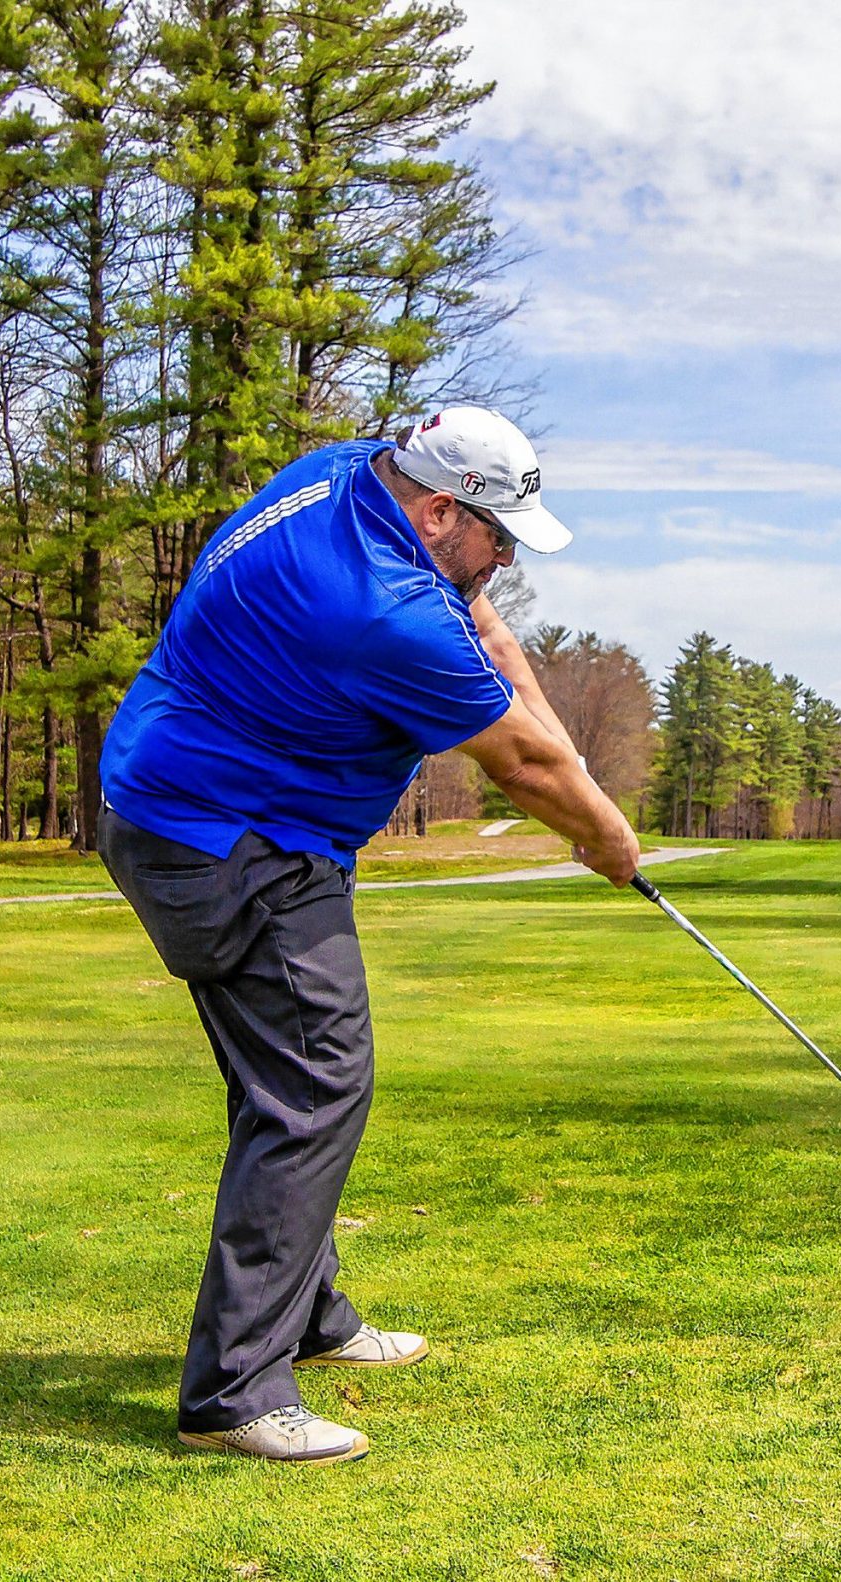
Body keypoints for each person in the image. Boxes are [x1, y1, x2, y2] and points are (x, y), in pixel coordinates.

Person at [96, 406, 642, 1467]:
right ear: (442, 510)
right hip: (232, 842)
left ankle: (308, 1316)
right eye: (498, 537)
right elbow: (521, 765)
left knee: (290, 1089)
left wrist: (577, 778)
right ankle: (234, 1393)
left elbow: (495, 647)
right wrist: (608, 839)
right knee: (313, 1089)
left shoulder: (352, 472)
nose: (506, 558)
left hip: (182, 802)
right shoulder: (381, 611)